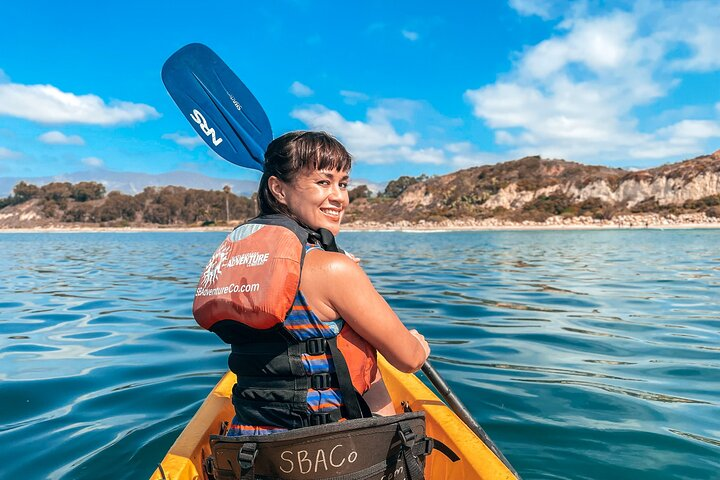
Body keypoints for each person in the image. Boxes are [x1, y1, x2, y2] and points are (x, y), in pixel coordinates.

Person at [194, 130, 430, 435]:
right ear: (278, 189)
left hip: (251, 451)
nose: (340, 197)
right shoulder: (333, 269)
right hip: (332, 455)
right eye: (323, 182)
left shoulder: (237, 262)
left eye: (343, 183)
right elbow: (408, 359)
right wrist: (419, 345)